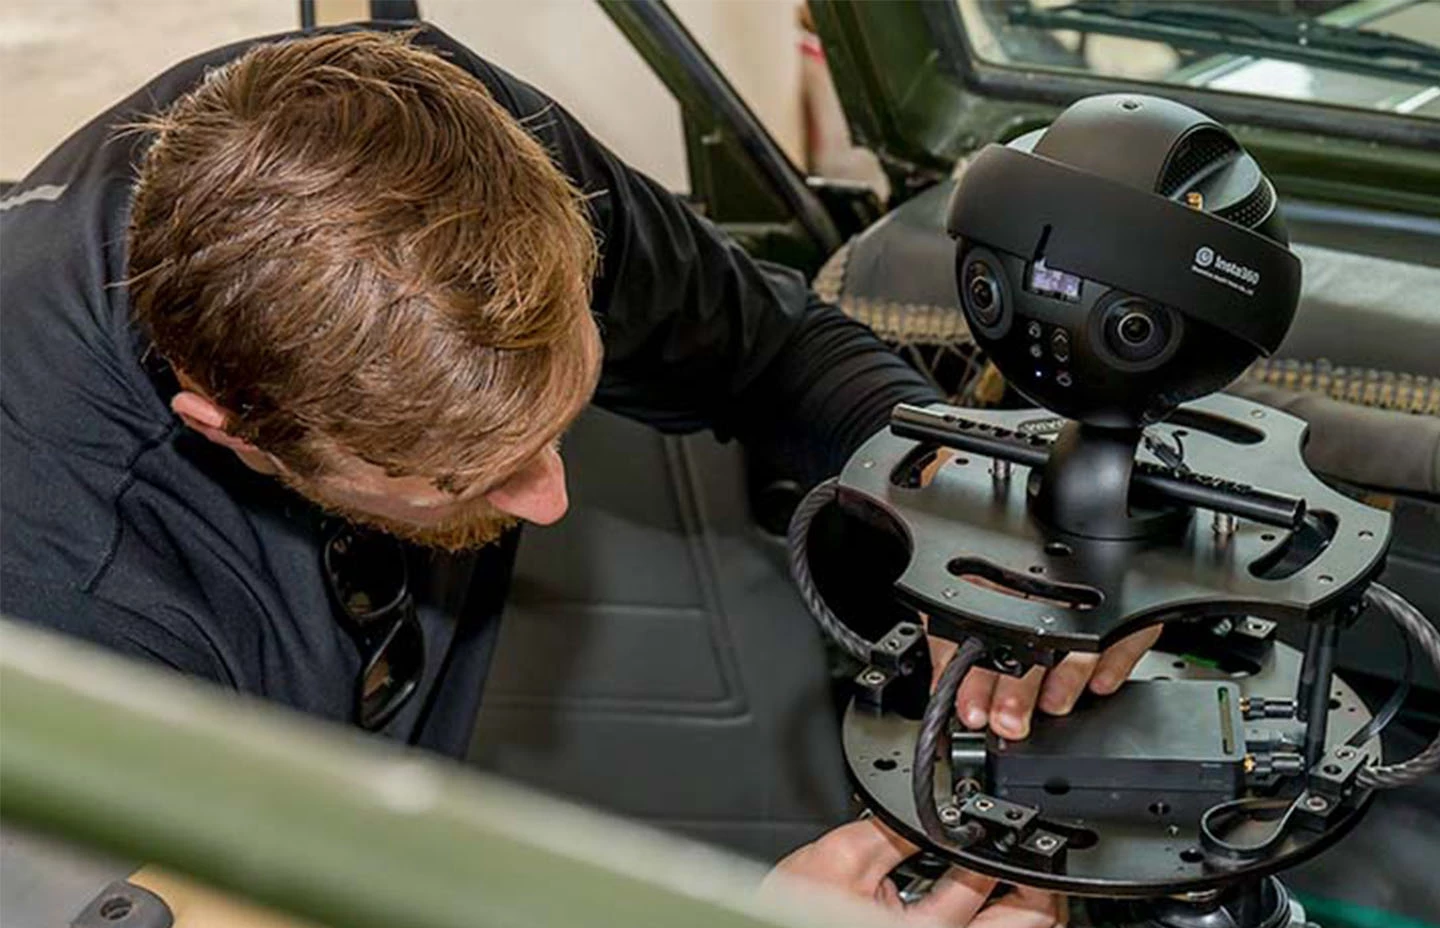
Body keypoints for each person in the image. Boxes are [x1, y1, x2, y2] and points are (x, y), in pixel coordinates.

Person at [1, 23, 1146, 921]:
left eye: (566, 409)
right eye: (467, 478)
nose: (550, 498)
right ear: (232, 428)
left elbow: (778, 355)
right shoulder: (64, 620)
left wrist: (962, 507)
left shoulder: (436, 148)